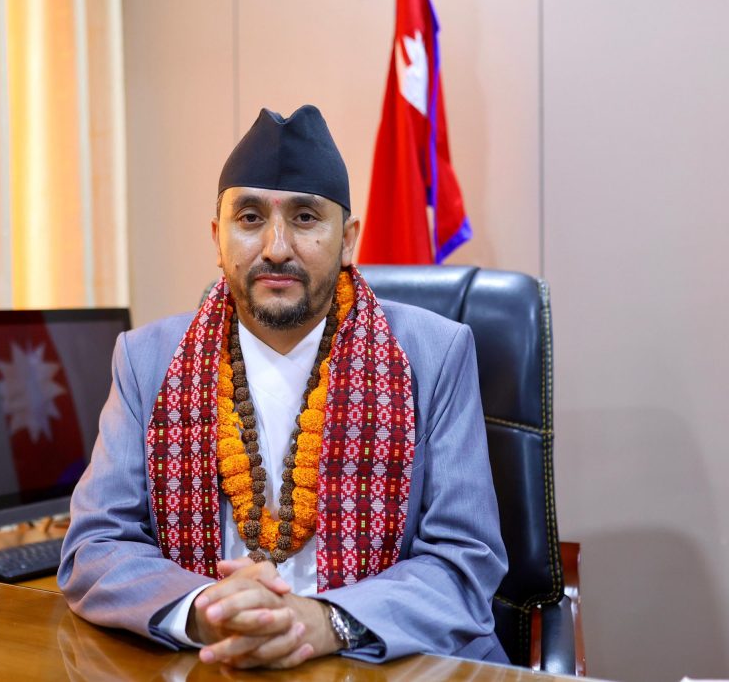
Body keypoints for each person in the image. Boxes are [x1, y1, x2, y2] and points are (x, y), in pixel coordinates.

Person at [58, 105, 508, 669]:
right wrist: (203, 609)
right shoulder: (146, 360)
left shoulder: (435, 354)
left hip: (379, 659)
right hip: (211, 658)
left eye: (304, 217)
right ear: (218, 237)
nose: (275, 247)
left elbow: (465, 560)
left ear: (348, 240)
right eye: (249, 218)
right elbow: (95, 546)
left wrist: (324, 621)